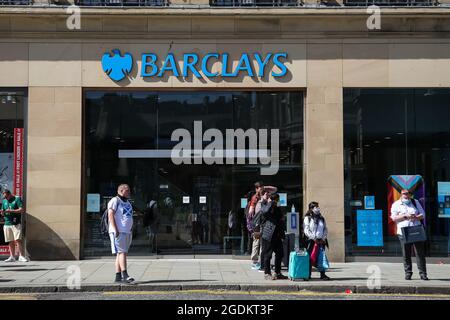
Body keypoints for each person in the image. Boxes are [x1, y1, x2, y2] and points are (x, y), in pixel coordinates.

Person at [391, 189, 429, 280]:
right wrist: (404, 216)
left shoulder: (415, 202)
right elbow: (393, 218)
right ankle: (408, 273)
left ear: (410, 194)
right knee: (406, 254)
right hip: (403, 232)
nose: (406, 195)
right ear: (401, 194)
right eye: (404, 193)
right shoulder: (396, 204)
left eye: (408, 193)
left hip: (416, 230)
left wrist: (415, 217)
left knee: (420, 253)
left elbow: (423, 214)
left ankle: (423, 274)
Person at [108, 184, 135, 283]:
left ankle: (118, 277)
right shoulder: (115, 200)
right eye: (127, 190)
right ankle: (125, 275)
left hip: (126, 231)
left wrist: (130, 228)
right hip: (119, 231)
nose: (129, 192)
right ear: (121, 190)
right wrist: (116, 230)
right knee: (122, 252)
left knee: (120, 254)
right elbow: (110, 214)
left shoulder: (127, 202)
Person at [261, 194, 288, 280]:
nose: (278, 202)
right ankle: (267, 273)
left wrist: (282, 234)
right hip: (268, 234)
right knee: (267, 254)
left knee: (280, 253)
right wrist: (270, 203)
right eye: (277, 200)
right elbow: (265, 212)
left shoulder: (277, 209)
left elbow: (281, 221)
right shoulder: (266, 206)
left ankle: (277, 272)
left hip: (277, 234)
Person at [303, 201, 331, 280]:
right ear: (311, 209)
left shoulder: (321, 218)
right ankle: (308, 274)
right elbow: (306, 230)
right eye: (315, 207)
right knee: (310, 258)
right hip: (312, 241)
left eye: (318, 206)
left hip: (321, 241)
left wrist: (323, 238)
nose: (317, 208)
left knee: (321, 257)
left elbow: (325, 229)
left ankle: (323, 274)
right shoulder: (307, 218)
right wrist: (314, 238)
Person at [0, 189, 28, 262]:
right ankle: (12, 257)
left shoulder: (17, 198)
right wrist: (2, 212)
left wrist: (11, 211)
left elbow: (21, 209)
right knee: (10, 240)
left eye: (6, 196)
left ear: (9, 194)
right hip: (7, 223)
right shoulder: (4, 201)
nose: (5, 198)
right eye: (4, 197)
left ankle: (21, 256)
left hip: (16, 223)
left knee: (18, 240)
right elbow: (2, 212)